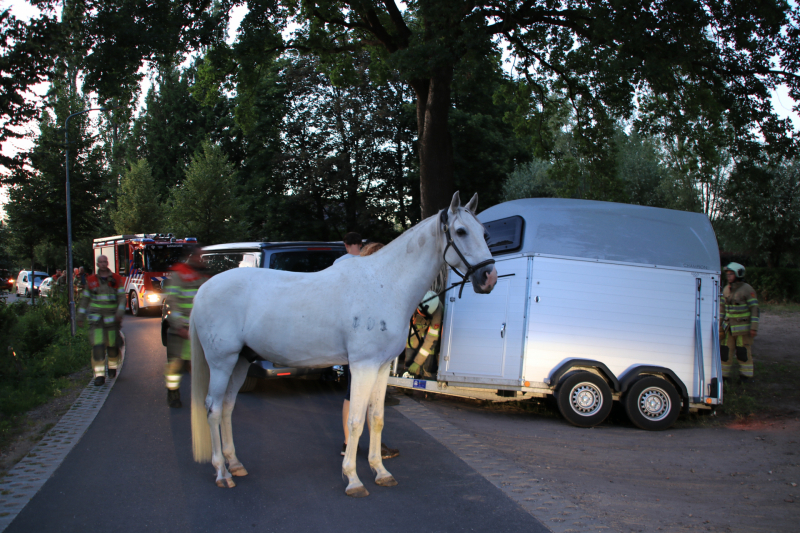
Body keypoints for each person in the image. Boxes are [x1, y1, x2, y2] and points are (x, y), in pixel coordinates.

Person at [340, 241, 399, 459]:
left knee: (351, 394)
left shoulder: (358, 282)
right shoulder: (377, 285)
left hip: (354, 348)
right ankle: (374, 447)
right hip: (368, 351)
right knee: (369, 397)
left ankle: (348, 444)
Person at [163, 247, 209, 408]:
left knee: (199, 366)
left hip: (197, 329)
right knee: (175, 367)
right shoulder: (179, 274)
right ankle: (173, 394)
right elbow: (172, 303)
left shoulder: (202, 274)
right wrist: (179, 326)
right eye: (198, 256)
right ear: (190, 256)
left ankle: (204, 398)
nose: (201, 258)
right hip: (180, 330)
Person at [77, 255, 126, 386]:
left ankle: (112, 367)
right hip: (96, 321)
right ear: (97, 264)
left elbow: (122, 297)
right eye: (101, 262)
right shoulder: (91, 280)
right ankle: (99, 376)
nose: (103, 264)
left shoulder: (116, 279)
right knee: (97, 348)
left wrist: (119, 313)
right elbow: (85, 299)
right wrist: (80, 316)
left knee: (112, 347)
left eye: (105, 262)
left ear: (107, 263)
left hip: (111, 322)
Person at [720, 262, 759, 382]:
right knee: (725, 352)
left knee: (743, 353)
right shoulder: (726, 289)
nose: (728, 276)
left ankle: (746, 377)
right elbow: (722, 308)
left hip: (743, 330)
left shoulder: (747, 289)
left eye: (731, 274)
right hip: (728, 328)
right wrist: (720, 325)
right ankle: (724, 376)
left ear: (738, 274)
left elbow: (755, 309)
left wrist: (754, 328)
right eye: (727, 274)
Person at [405, 290, 444, 379]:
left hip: (430, 329)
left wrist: (417, 362)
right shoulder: (413, 301)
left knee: (430, 352)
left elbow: (431, 339)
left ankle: (429, 378)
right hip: (416, 327)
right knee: (411, 345)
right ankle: (409, 377)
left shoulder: (437, 311)